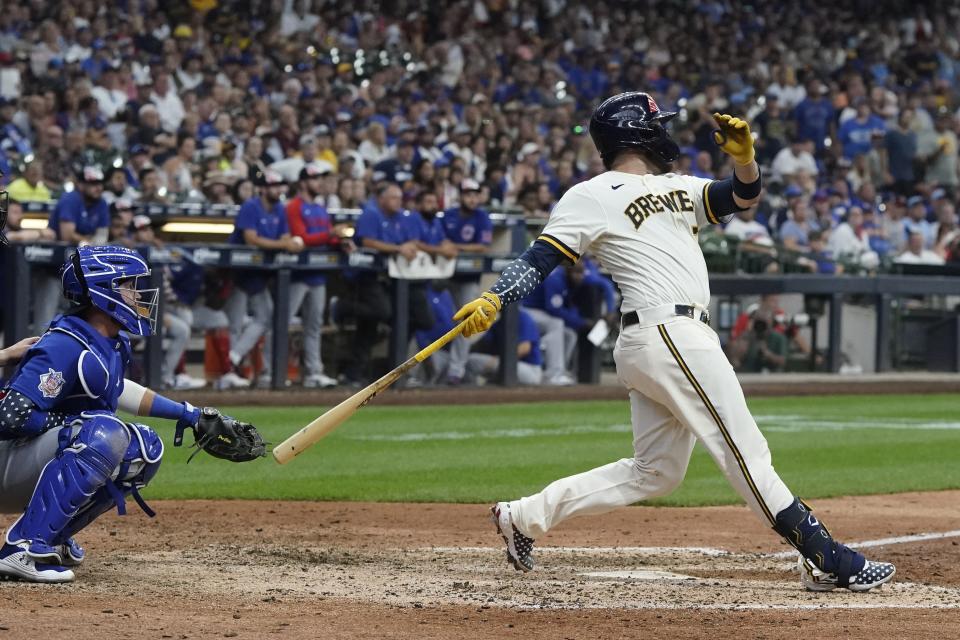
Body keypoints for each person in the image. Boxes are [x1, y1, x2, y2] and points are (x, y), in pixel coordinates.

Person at [454, 92, 895, 592]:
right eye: (656, 123)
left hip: (664, 339)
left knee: (656, 472)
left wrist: (745, 160)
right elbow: (541, 256)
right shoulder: (592, 193)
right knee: (746, 452)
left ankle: (524, 516)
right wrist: (494, 298)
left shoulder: (676, 187)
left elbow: (740, 197)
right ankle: (827, 558)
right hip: (668, 333)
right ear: (635, 132)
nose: (665, 130)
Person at [0, 246, 264, 583]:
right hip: (7, 462)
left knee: (144, 447)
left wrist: (190, 415)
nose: (137, 294)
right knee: (101, 432)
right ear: (102, 291)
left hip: (26, 464)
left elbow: (118, 389)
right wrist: (71, 426)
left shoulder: (106, 342)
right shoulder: (63, 343)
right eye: (128, 285)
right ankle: (22, 547)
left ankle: (51, 536)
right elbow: (10, 417)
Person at [226, 169, 303, 386]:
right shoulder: (251, 206)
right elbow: (251, 239)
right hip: (238, 270)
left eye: (280, 185)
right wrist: (284, 244)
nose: (278, 190)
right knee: (237, 322)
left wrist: (289, 243)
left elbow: (286, 236)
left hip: (259, 272)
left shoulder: (279, 208)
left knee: (263, 317)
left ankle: (234, 359)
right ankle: (231, 364)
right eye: (273, 186)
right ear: (263, 188)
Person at [285, 164, 344, 388]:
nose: (319, 182)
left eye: (320, 178)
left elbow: (327, 238)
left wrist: (341, 242)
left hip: (317, 275)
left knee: (314, 326)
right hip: (297, 275)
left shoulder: (320, 209)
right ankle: (270, 371)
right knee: (282, 323)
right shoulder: (294, 206)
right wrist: (330, 234)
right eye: (314, 179)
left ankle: (314, 372)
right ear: (302, 183)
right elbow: (301, 237)